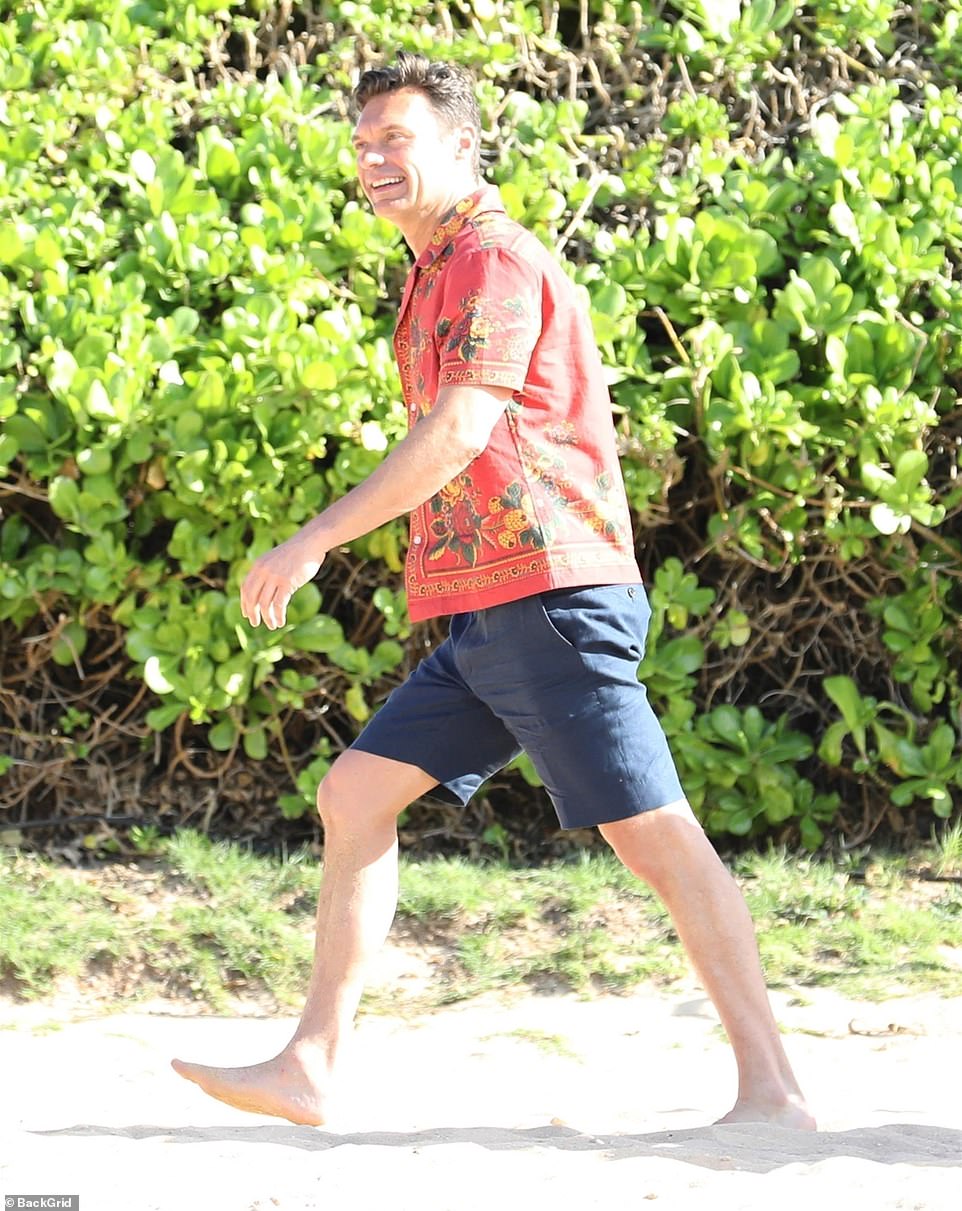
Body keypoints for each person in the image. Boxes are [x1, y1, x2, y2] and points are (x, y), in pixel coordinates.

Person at [171, 52, 815, 1132]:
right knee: (353, 796)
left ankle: (773, 1091)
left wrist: (317, 536)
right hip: (492, 612)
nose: (373, 158)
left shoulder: (490, 260)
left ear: (461, 147)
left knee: (655, 835)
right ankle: (311, 1065)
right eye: (363, 140)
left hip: (552, 600)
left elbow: (461, 428)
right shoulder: (432, 270)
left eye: (397, 139)